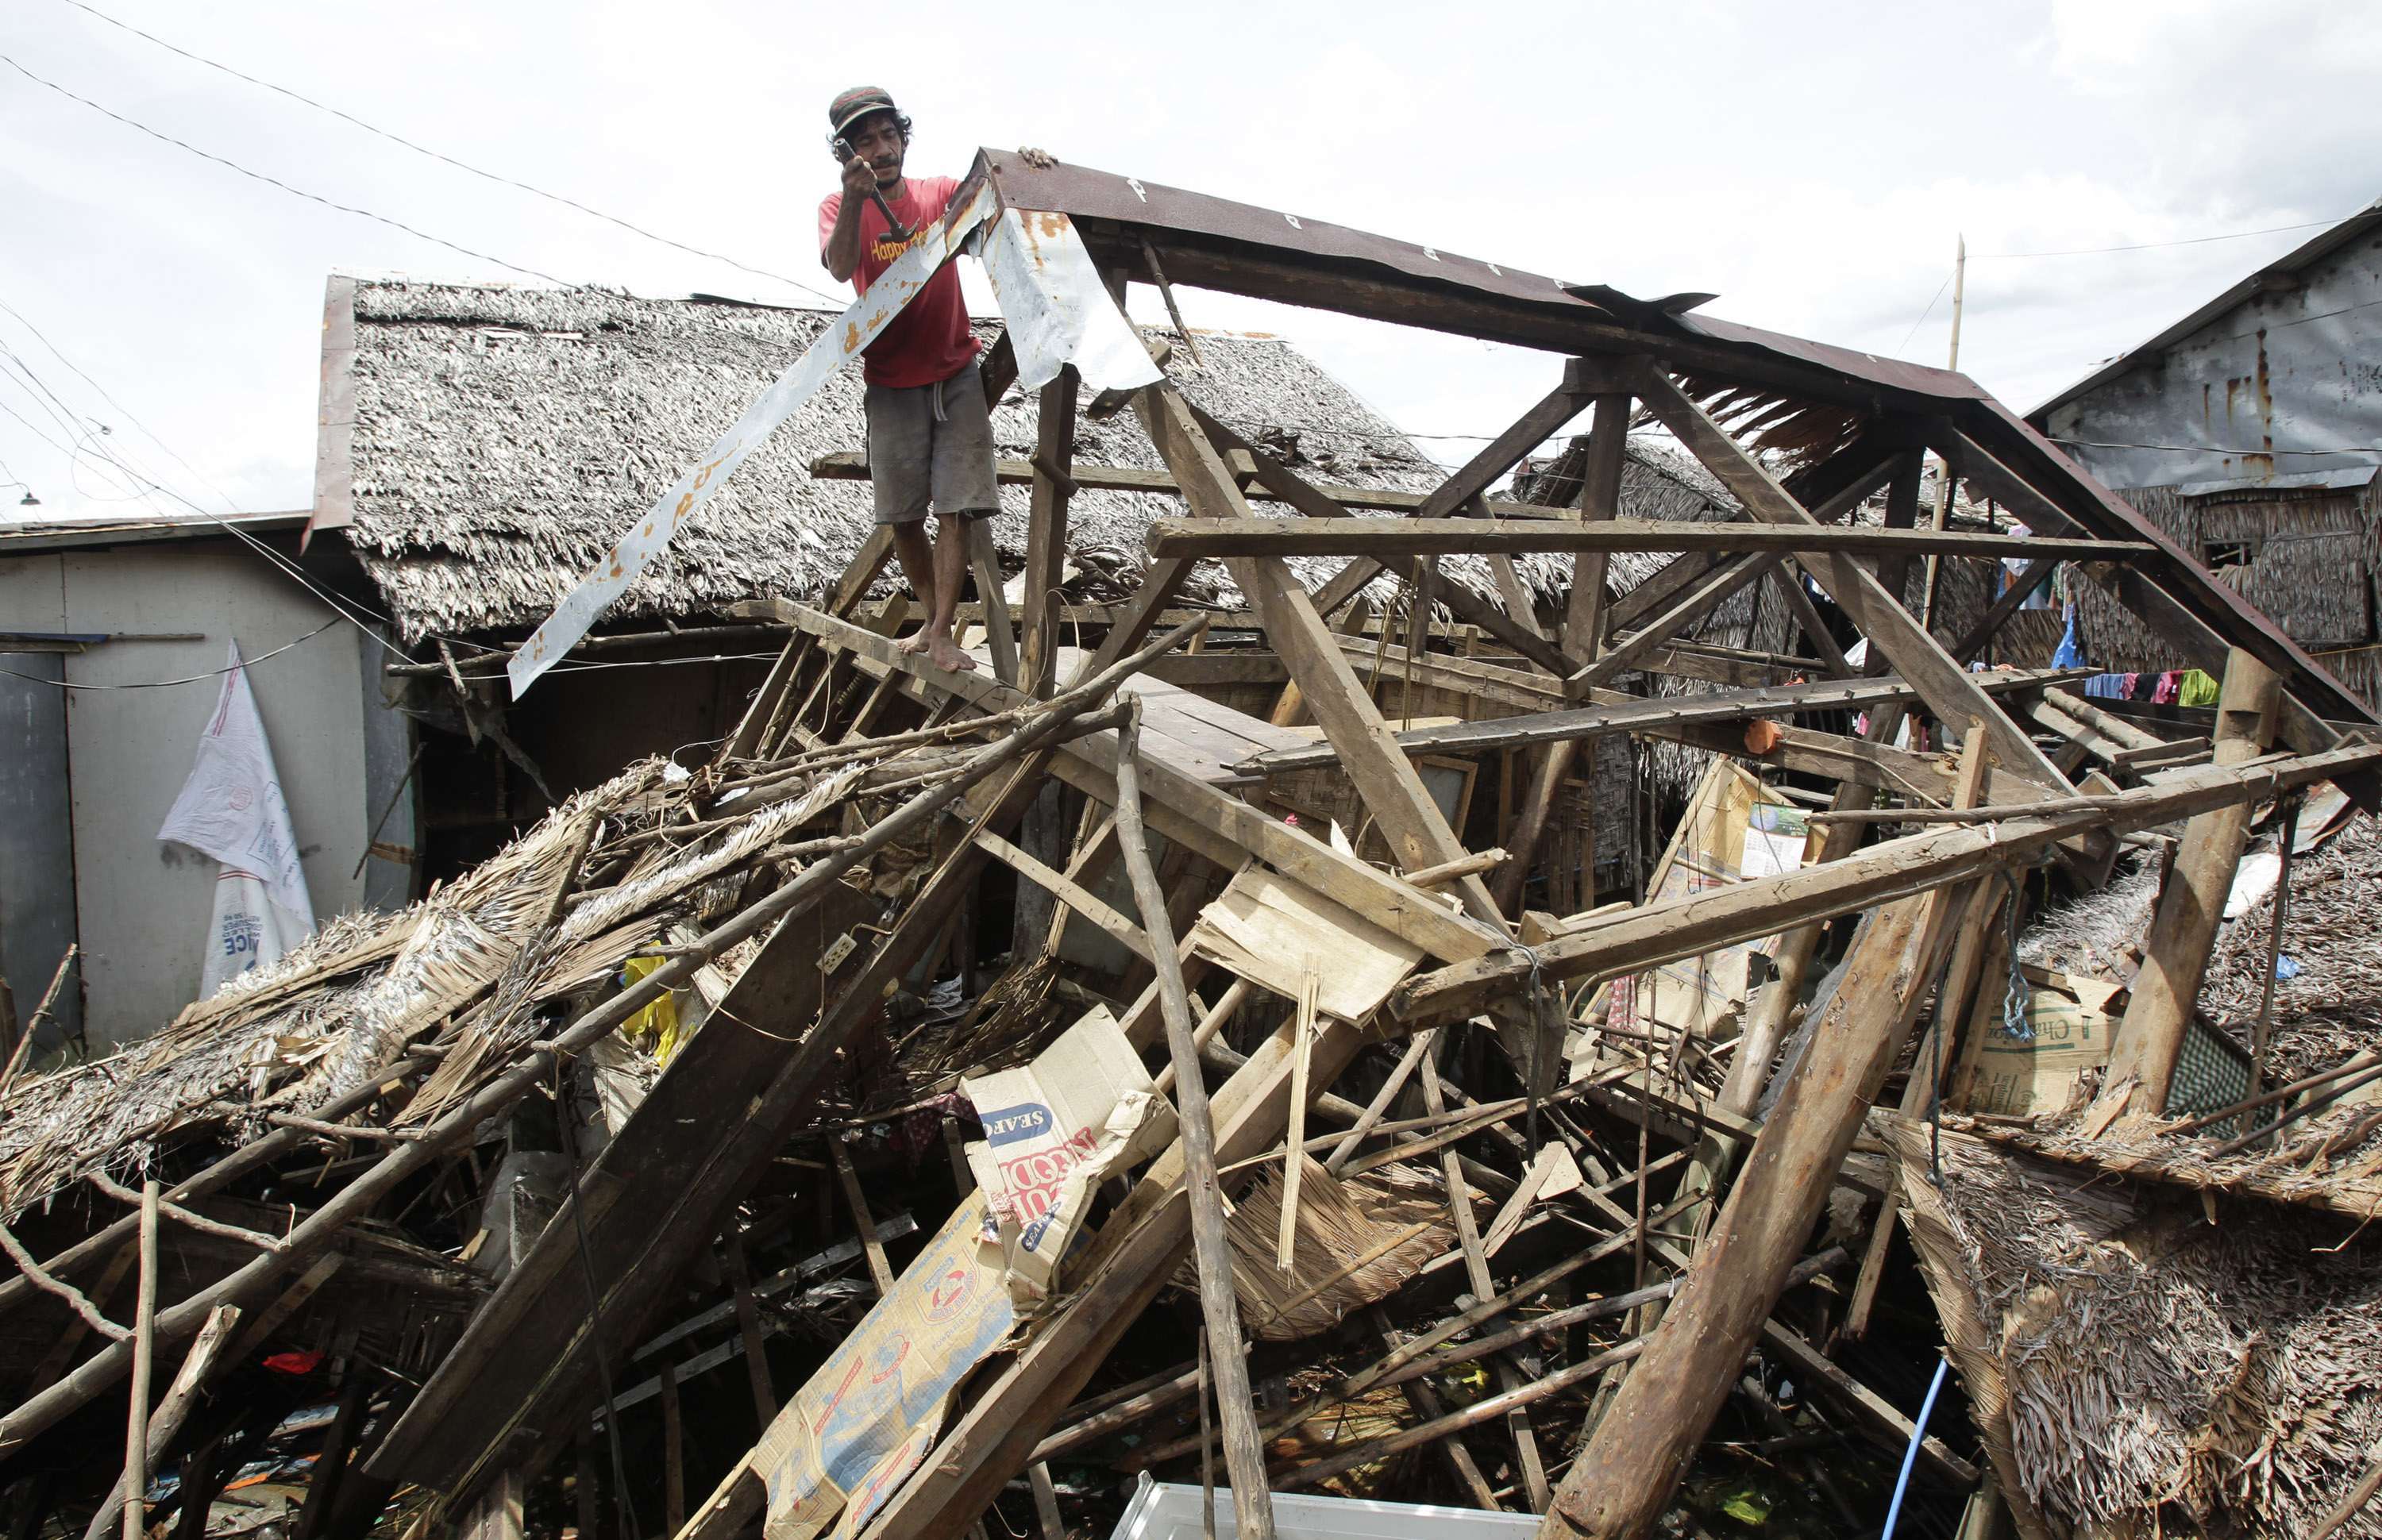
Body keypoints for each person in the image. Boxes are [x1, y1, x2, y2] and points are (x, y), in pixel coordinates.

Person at [817, 87, 1051, 675]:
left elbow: (996, 194)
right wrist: (852, 199)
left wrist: (1026, 166)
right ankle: (930, 618)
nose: (883, 148)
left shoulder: (939, 195)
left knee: (957, 508)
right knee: (901, 515)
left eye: (889, 135)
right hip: (891, 382)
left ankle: (943, 630)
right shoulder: (836, 206)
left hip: (953, 373)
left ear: (903, 137)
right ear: (848, 153)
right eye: (866, 141)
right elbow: (841, 265)